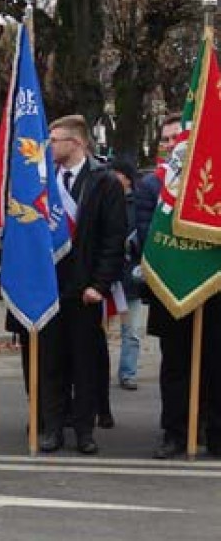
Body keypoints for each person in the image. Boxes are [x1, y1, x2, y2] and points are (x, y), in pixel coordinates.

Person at [37, 115, 126, 455]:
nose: (50, 146)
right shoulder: (46, 184)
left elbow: (113, 238)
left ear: (76, 143)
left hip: (85, 291)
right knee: (52, 363)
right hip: (50, 290)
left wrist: (100, 285)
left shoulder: (104, 183)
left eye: (55, 140)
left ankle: (85, 431)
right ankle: (53, 428)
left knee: (85, 364)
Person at [135, 114, 221, 459]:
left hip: (214, 290)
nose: (174, 146)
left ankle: (216, 434)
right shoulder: (152, 186)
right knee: (175, 366)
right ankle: (174, 433)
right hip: (169, 287)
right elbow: (144, 234)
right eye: (168, 140)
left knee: (216, 365)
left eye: (178, 138)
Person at [109, 157, 142, 392]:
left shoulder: (139, 204)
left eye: (116, 173)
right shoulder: (105, 199)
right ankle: (96, 372)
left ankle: (128, 373)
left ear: (127, 178)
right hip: (105, 276)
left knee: (131, 331)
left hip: (129, 277)